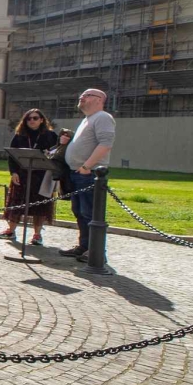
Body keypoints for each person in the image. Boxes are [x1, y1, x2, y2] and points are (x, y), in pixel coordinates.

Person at [58, 89, 116, 264]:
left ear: (99, 100)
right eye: (81, 95)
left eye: (87, 95)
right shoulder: (87, 119)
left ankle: (96, 251)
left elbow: (106, 144)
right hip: (78, 173)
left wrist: (86, 166)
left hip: (89, 174)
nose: (82, 97)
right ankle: (84, 246)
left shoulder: (103, 117)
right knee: (79, 212)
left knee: (90, 213)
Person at [0, 109, 59, 244]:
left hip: (42, 176)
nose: (32, 121)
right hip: (22, 174)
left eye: (35, 118)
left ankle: (37, 235)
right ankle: (10, 230)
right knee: (17, 203)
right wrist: (13, 172)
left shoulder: (50, 135)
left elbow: (56, 154)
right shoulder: (19, 135)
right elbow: (12, 157)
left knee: (40, 206)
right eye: (28, 119)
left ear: (42, 120)